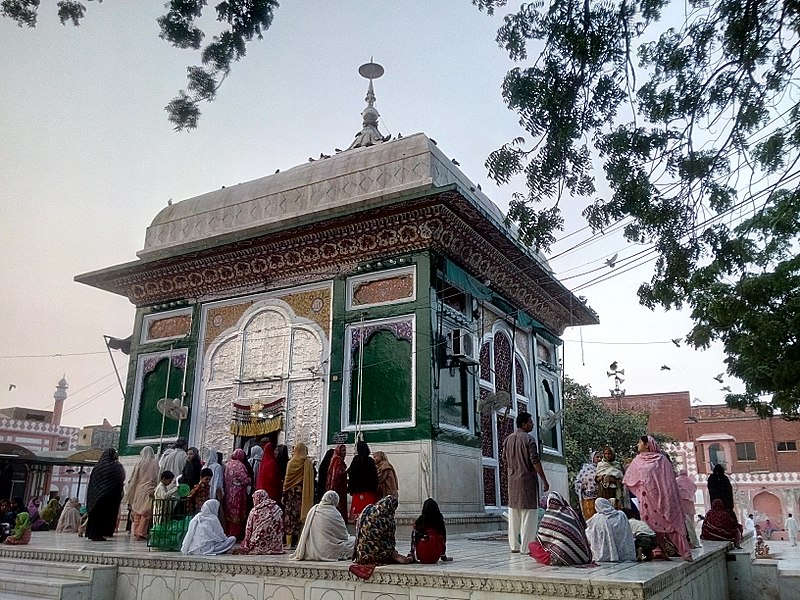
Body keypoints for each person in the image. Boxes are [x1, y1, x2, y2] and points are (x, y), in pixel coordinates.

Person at [623, 435, 693, 561]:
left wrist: (667, 497)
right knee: (651, 527)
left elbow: (669, 481)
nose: (637, 445)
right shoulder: (637, 461)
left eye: (639, 443)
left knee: (671, 524)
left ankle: (686, 553)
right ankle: (655, 552)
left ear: (647, 445)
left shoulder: (661, 460)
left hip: (663, 498)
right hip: (647, 501)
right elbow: (630, 479)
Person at [502, 411, 549, 553]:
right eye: (530, 422)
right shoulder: (529, 439)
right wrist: (544, 479)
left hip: (512, 481)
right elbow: (535, 460)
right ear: (524, 424)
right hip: (527, 481)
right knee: (529, 515)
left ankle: (514, 546)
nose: (532, 424)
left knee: (514, 514)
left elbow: (504, 459)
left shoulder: (508, 440)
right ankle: (527, 547)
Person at [528, 491, 592, 566]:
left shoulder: (549, 516)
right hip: (583, 557)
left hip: (559, 557)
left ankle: (561, 557)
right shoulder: (571, 512)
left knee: (532, 545)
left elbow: (541, 538)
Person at [291, 490, 355, 561]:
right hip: (328, 551)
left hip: (311, 550)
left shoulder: (313, 509)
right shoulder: (335, 513)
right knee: (354, 542)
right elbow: (344, 536)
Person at [353, 495, 409, 566]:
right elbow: (390, 539)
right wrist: (394, 554)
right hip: (376, 554)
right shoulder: (387, 517)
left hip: (361, 553)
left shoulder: (368, 508)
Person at [85, 448, 126, 542]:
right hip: (109, 498)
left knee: (96, 517)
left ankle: (93, 534)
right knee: (104, 517)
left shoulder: (97, 467)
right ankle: (100, 534)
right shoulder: (116, 466)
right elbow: (121, 478)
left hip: (95, 497)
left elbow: (93, 483)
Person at [124, 445, 160, 540]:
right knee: (146, 512)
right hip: (149, 489)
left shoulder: (139, 463)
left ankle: (136, 532)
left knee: (137, 512)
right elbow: (157, 476)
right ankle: (141, 533)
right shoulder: (154, 463)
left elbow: (133, 478)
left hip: (138, 490)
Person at [282, 441, 315, 546]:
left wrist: (284, 493)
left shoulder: (291, 463)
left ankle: (289, 542)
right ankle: (299, 540)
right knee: (299, 516)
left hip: (290, 495)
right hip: (302, 495)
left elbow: (287, 480)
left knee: (290, 518)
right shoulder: (307, 463)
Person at [585, 497, 636, 562]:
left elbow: (589, 532)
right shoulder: (621, 515)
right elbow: (627, 532)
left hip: (604, 554)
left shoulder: (597, 518)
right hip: (623, 550)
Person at [237, 490, 284, 555]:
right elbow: (281, 527)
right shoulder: (277, 508)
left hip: (258, 545)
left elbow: (248, 530)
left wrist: (246, 544)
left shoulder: (255, 511)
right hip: (275, 544)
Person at [408, 498, 451, 564]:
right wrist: (443, 556)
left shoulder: (421, 520)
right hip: (435, 556)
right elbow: (443, 539)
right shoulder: (439, 520)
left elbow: (414, 537)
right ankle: (442, 556)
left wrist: (411, 553)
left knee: (415, 532)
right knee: (440, 535)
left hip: (422, 555)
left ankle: (412, 555)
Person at [347, 441, 379, 524]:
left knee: (358, 516)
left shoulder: (356, 460)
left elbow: (351, 474)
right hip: (369, 492)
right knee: (370, 515)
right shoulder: (370, 461)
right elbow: (374, 476)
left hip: (358, 492)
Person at [222, 448, 251, 539]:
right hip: (238, 494)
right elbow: (245, 480)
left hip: (228, 493)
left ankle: (227, 533)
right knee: (236, 514)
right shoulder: (240, 465)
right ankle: (234, 535)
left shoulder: (228, 464)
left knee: (229, 513)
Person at [675, 469, 701, 548]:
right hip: (690, 502)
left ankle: (686, 538)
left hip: (681, 502)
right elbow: (694, 489)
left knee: (684, 520)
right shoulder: (690, 481)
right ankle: (693, 537)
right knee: (691, 521)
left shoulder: (677, 480)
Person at [575, 451, 602, 521]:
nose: (599, 459)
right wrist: (582, 486)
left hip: (601, 497)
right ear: (592, 458)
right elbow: (578, 482)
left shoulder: (604, 468)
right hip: (588, 499)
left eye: (601, 457)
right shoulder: (586, 468)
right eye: (597, 457)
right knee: (590, 519)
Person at [326, 444, 348, 521]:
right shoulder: (338, 461)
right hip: (338, 489)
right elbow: (336, 475)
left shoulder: (335, 460)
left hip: (338, 489)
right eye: (342, 450)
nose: (344, 452)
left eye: (345, 450)